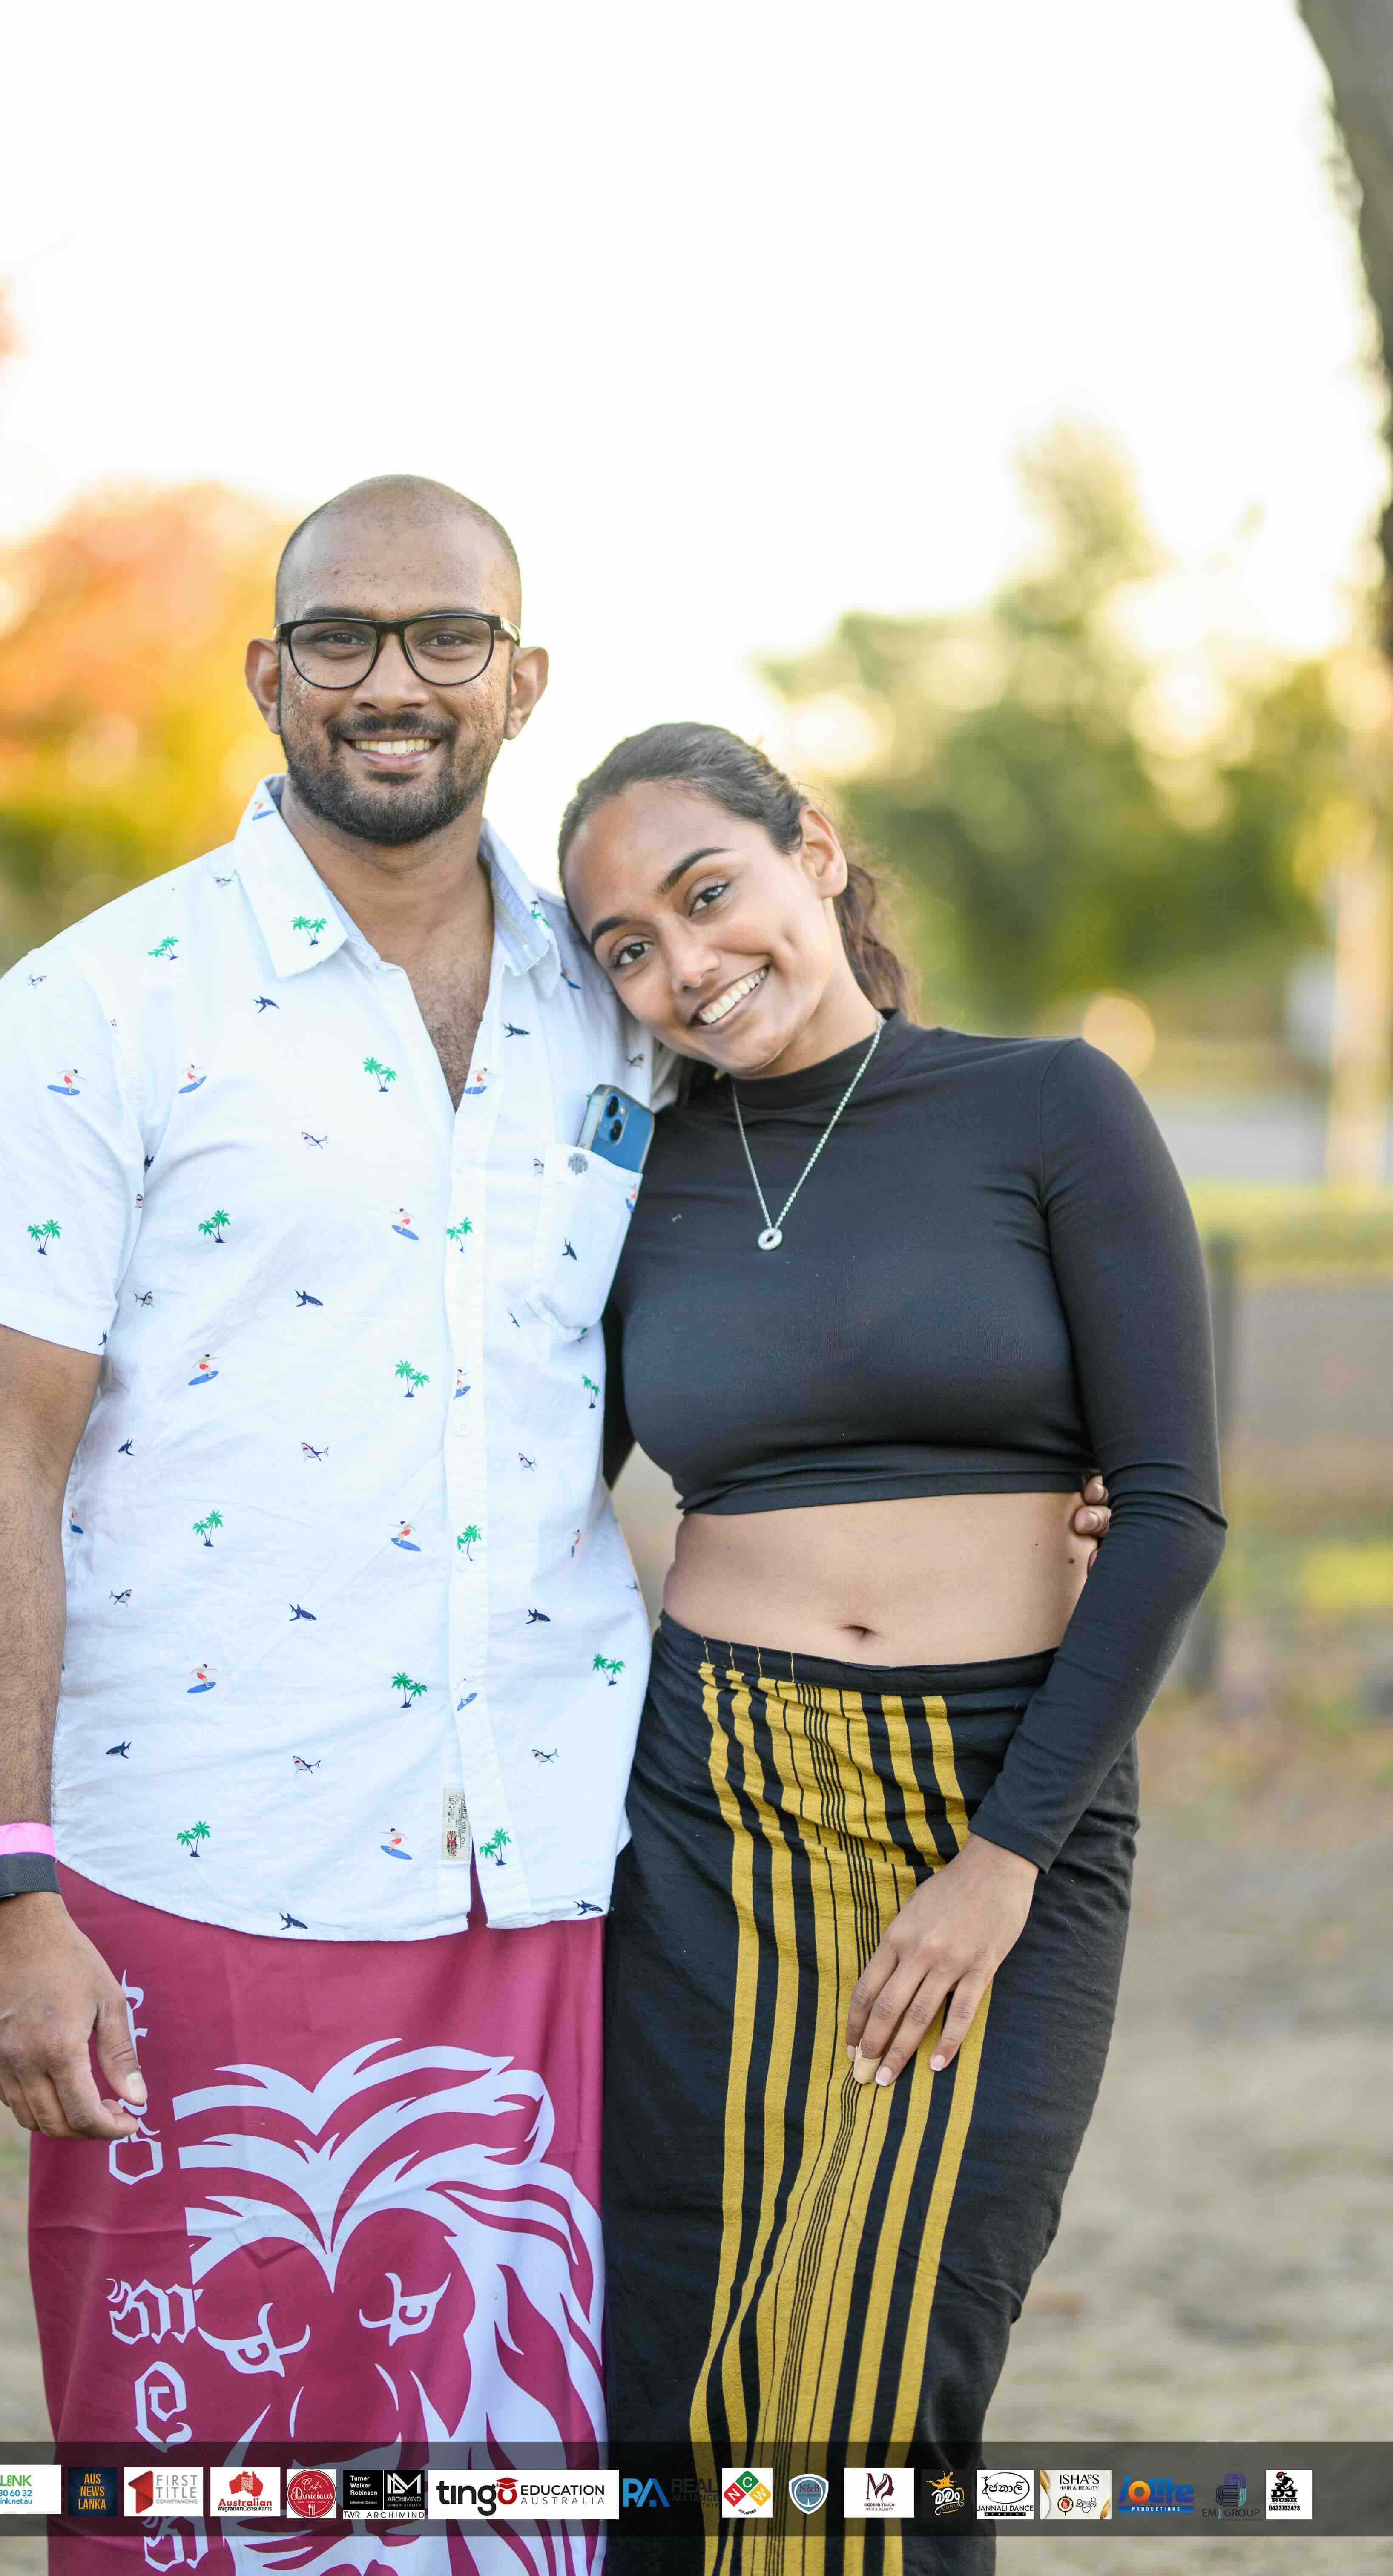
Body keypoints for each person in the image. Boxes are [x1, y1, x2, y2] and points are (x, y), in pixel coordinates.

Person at [0, 479, 660, 2572]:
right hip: (198, 1872)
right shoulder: (100, 999)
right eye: (340, 638)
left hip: (548, 1870)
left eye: (445, 638)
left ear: (525, 677)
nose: (392, 682)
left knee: (514, 2496)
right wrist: (9, 1892)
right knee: (204, 2509)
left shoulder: (624, 1009)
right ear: (269, 674)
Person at [559, 724, 1224, 2573]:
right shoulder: (628, 1184)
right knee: (680, 2371)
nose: (684, 966)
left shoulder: (1048, 1109)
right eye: (624, 945)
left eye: (708, 895)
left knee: (889, 2387)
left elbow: (1170, 1510)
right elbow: (512, 1494)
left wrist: (1003, 1859)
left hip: (991, 1803)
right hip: (711, 1820)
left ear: (814, 856)